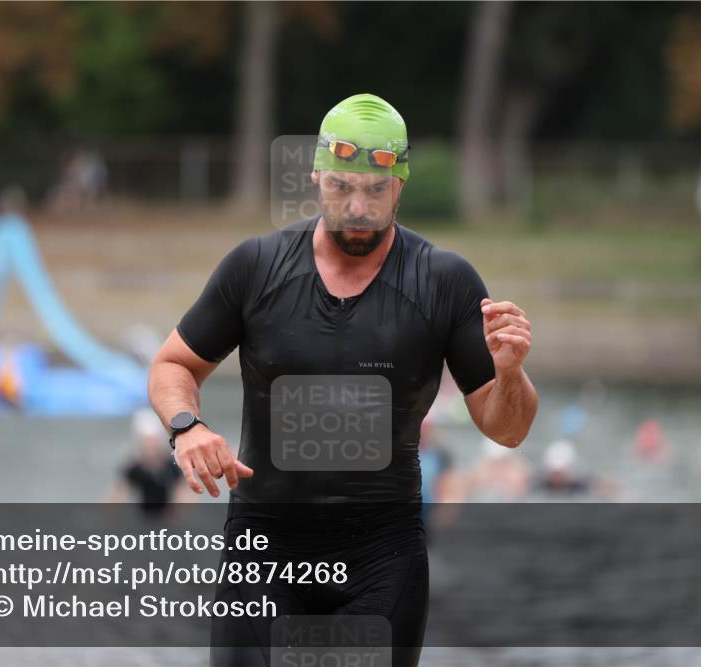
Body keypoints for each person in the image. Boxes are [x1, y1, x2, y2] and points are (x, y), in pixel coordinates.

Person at [147, 93, 539, 667]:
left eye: (375, 190)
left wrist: (510, 373)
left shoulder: (444, 281)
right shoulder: (256, 268)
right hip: (265, 544)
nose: (358, 207)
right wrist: (186, 426)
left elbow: (508, 431)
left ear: (399, 184)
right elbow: (172, 364)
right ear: (317, 177)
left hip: (383, 551)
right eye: (341, 186)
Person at [105, 409, 189, 517]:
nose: (149, 446)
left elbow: (183, 491)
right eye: (146, 442)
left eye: (152, 441)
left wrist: (178, 512)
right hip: (144, 517)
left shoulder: (171, 464)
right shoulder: (135, 467)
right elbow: (118, 492)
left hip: (167, 517)